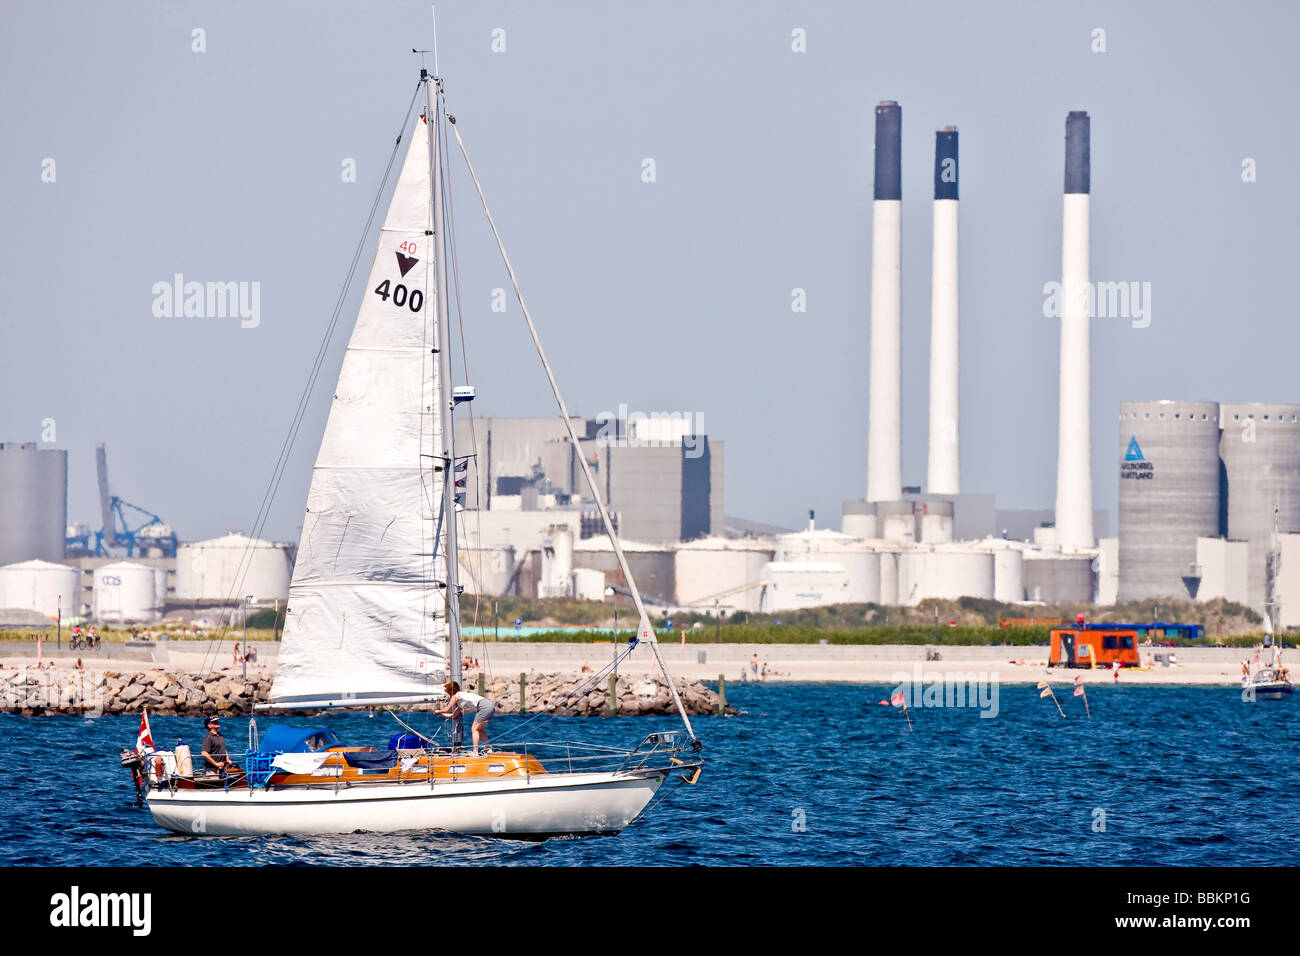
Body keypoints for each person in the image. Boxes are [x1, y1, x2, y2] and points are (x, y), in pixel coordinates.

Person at [436, 681, 495, 756]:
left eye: (447, 692)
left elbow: (447, 709)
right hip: (490, 706)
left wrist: (438, 710)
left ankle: (475, 751)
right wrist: (441, 714)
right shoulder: (461, 699)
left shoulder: (456, 696)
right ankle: (488, 749)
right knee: (478, 729)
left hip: (484, 706)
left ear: (451, 691)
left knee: (474, 729)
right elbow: (454, 715)